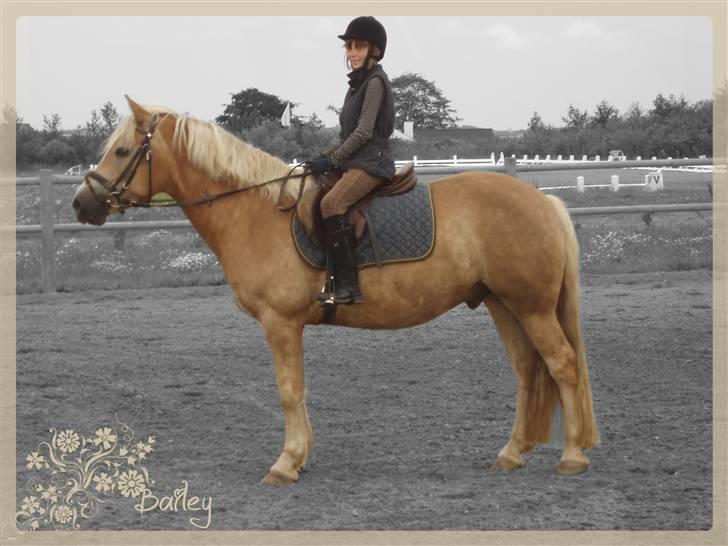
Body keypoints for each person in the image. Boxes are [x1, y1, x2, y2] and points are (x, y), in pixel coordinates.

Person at [307, 16, 396, 306]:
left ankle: (348, 286)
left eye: (359, 46)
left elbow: (363, 133)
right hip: (356, 160)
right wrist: (322, 158)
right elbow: (346, 134)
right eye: (349, 47)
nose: (352, 52)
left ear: (375, 51)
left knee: (330, 204)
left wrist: (332, 160)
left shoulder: (375, 83)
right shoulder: (356, 86)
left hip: (372, 162)